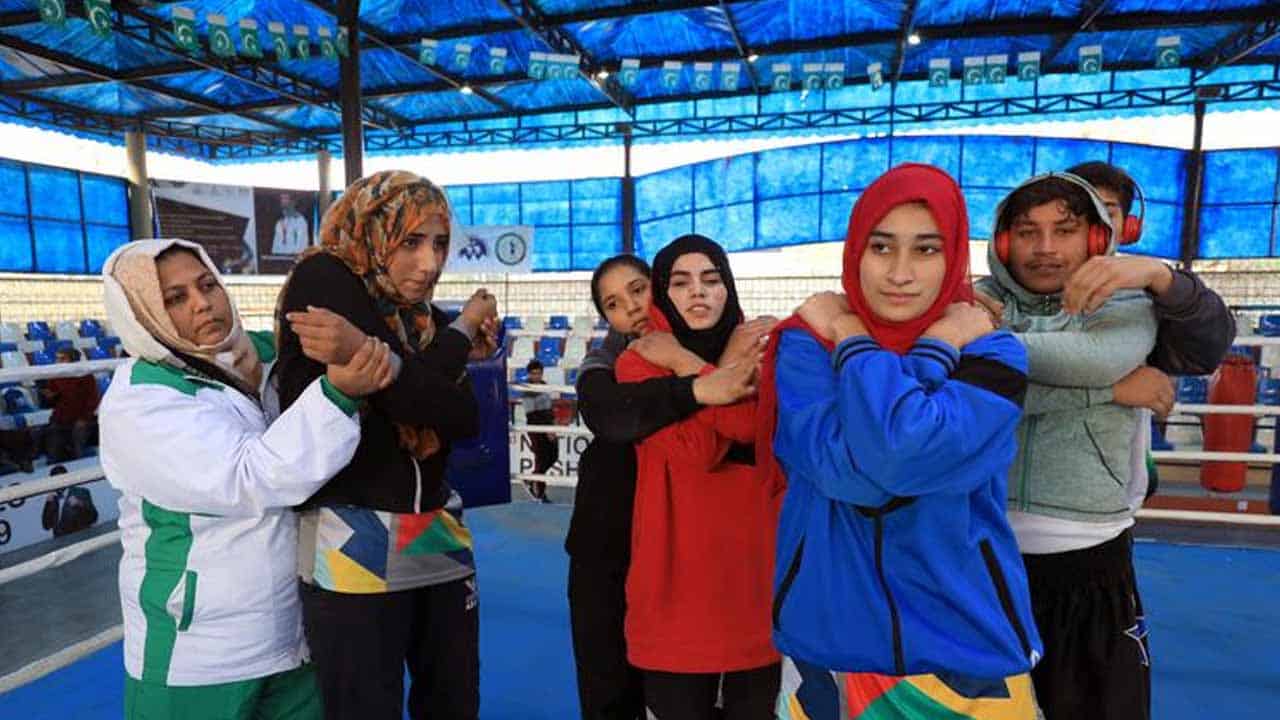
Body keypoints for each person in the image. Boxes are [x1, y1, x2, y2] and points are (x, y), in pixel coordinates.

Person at [761, 163, 1042, 719]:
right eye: (882, 247)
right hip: (829, 644)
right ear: (855, 252)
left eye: (927, 250)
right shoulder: (803, 349)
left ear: (955, 254)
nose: (901, 273)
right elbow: (860, 476)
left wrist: (853, 338)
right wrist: (935, 351)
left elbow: (895, 453)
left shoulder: (994, 354)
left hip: (966, 648)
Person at [98, 239, 392, 720]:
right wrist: (337, 395)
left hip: (290, 638)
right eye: (175, 298)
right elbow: (250, 476)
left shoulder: (254, 358)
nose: (202, 303)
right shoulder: (140, 399)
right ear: (142, 314)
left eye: (207, 284)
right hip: (196, 655)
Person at [274, 170, 498, 720]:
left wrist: (392, 363)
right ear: (373, 232)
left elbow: (463, 416)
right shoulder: (322, 276)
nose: (430, 263)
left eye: (441, 243)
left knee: (454, 700)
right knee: (364, 708)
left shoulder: (414, 315)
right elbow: (417, 403)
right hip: (352, 532)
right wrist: (463, 329)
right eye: (411, 242)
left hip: (435, 526)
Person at [977, 173, 1158, 720]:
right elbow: (972, 394)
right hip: (985, 554)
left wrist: (982, 346)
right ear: (1004, 244)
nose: (1047, 248)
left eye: (1065, 230)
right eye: (1028, 232)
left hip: (1092, 554)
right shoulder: (976, 300)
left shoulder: (1125, 299)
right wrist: (1107, 394)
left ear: (1097, 241)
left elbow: (1096, 358)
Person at [566, 254, 765, 720]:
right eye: (613, 304)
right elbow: (608, 413)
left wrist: (705, 363)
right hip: (606, 547)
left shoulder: (732, 343)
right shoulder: (609, 362)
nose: (631, 308)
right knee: (608, 688)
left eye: (639, 290)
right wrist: (704, 384)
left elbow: (741, 432)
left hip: (692, 557)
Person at [614, 234, 780, 720]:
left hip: (751, 582)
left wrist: (690, 365)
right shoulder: (640, 360)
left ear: (728, 288)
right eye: (681, 282)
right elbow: (699, 452)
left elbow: (751, 428)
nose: (698, 293)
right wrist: (727, 370)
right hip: (676, 585)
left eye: (711, 280)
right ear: (663, 294)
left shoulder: (759, 352)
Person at [39, 347, 99, 462]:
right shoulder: (55, 376)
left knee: (78, 437)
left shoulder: (86, 376)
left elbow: (93, 400)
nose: (58, 362)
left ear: (72, 360)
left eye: (62, 359)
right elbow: (53, 400)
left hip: (81, 419)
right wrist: (50, 396)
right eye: (57, 359)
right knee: (52, 440)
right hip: (60, 418)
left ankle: (79, 463)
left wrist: (84, 419)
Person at [521, 358, 557, 502]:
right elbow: (532, 414)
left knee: (554, 456)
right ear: (529, 374)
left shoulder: (544, 386)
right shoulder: (527, 391)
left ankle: (531, 479)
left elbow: (549, 409)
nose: (536, 376)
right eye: (533, 373)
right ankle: (541, 495)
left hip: (548, 426)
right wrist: (546, 429)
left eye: (539, 373)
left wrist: (552, 426)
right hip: (536, 428)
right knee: (541, 459)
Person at [41, 464, 98, 537]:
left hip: (80, 539)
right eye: (54, 480)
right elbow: (46, 526)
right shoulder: (53, 499)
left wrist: (80, 504)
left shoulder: (81, 492)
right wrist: (48, 505)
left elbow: (93, 518)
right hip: (60, 543)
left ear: (67, 478)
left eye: (60, 479)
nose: (57, 483)